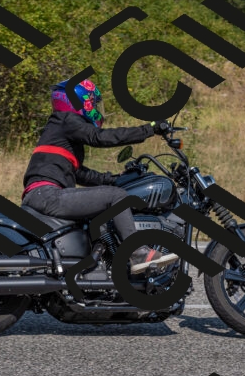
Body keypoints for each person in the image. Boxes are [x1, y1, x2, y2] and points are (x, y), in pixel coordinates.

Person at [21, 78, 179, 274]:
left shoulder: (59, 130)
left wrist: (115, 178)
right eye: (93, 103)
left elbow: (81, 174)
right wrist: (149, 129)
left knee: (106, 200)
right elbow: (99, 137)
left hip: (42, 194)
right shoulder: (66, 120)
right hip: (47, 194)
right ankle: (137, 253)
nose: (96, 108)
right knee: (116, 197)